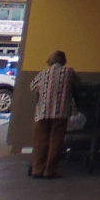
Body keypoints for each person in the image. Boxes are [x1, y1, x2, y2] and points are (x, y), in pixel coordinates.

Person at [29, 50, 79, 179]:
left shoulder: (42, 73)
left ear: (50, 61)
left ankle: (37, 169)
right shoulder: (69, 72)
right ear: (64, 61)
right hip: (60, 111)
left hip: (42, 111)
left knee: (41, 140)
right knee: (56, 140)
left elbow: (33, 88)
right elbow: (77, 85)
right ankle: (50, 170)